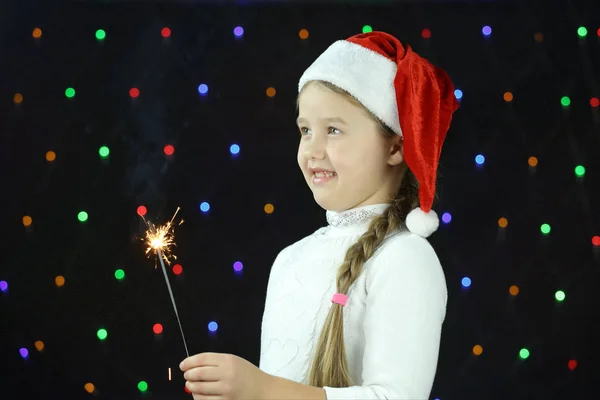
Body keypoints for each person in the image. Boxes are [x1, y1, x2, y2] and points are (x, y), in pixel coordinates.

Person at [180, 31, 459, 400]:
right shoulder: (289, 260)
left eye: (333, 130)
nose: (312, 149)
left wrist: (261, 390)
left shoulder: (405, 258)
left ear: (395, 147)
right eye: (305, 130)